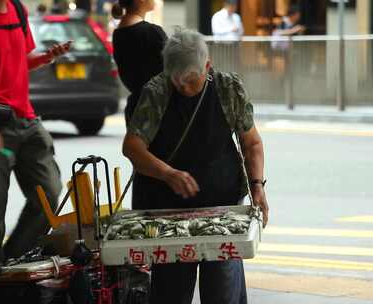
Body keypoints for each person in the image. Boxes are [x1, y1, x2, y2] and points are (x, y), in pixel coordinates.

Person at [122, 28, 269, 304]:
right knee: (171, 293)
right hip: (169, 217)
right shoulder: (157, 92)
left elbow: (252, 144)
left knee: (222, 292)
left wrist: (257, 187)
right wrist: (168, 173)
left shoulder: (228, 89)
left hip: (222, 210)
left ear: (207, 66)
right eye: (176, 81)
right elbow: (132, 147)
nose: (184, 88)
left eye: (190, 80)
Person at [0, 0, 70, 270]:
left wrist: (47, 57)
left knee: (49, 195)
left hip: (27, 120)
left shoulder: (17, 9)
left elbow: (21, 59)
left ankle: (9, 263)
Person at [111, 0, 167, 122]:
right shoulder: (152, 32)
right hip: (158, 108)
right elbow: (171, 69)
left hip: (135, 106)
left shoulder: (118, 33)